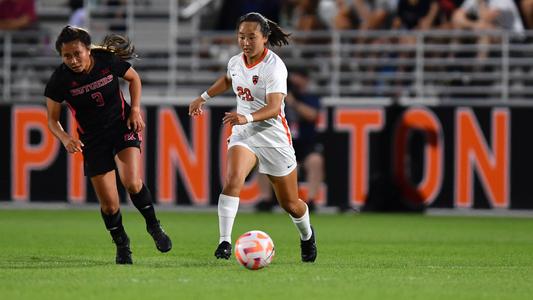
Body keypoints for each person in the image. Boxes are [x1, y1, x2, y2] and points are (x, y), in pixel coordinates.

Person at [188, 12, 317, 263]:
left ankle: (307, 235)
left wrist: (244, 117)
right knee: (233, 178)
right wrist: (202, 97)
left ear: (265, 38)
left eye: (251, 37)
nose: (246, 42)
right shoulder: (236, 62)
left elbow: (273, 107)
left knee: (290, 204)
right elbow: (228, 79)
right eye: (241, 37)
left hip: (273, 136)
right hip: (244, 133)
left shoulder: (275, 67)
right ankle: (224, 241)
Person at [44, 26, 172, 264]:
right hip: (92, 140)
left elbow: (134, 79)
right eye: (66, 56)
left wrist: (135, 110)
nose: (73, 60)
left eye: (77, 53)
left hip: (122, 128)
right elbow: (52, 120)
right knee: (110, 205)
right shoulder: (59, 80)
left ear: (88, 50)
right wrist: (65, 138)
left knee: (132, 182)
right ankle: (122, 244)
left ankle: (154, 226)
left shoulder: (106, 60)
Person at [255, 68, 324, 213]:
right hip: (281, 143)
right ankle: (265, 199)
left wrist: (292, 102)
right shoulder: (275, 98)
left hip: (304, 145)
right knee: (263, 157)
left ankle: (311, 201)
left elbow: (312, 115)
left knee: (315, 161)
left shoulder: (310, 98)